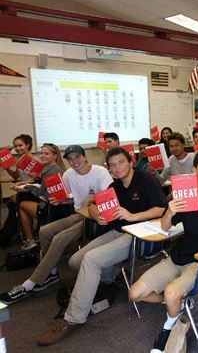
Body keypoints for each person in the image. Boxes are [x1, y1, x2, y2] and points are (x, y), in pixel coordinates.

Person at [36, 147, 167, 346]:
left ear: (130, 162)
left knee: (91, 259)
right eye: (112, 165)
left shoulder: (146, 179)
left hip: (139, 233)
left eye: (121, 162)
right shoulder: (115, 185)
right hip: (118, 231)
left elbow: (161, 208)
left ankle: (73, 318)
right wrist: (97, 214)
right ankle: (106, 277)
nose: (117, 168)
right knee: (75, 261)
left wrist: (133, 216)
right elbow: (93, 204)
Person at [128, 149, 198, 353]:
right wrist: (171, 211)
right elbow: (165, 227)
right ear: (194, 169)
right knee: (134, 293)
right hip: (177, 256)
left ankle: (169, 327)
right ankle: (178, 304)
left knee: (171, 292)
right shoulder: (186, 196)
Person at [0, 145, 112, 304]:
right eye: (70, 159)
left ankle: (30, 284)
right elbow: (70, 197)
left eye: (77, 157)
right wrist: (61, 200)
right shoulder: (68, 174)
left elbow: (109, 196)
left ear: (84, 156)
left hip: (95, 217)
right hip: (79, 214)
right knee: (45, 231)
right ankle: (51, 273)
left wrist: (91, 199)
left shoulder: (100, 171)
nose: (74, 161)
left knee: (59, 239)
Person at [15, 143, 66, 250]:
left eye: (46, 154)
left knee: (21, 204)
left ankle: (30, 240)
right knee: (23, 198)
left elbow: (42, 193)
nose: (42, 156)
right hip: (57, 206)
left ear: (55, 155)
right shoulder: (53, 167)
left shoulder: (51, 171)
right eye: (41, 153)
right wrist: (36, 180)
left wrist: (27, 187)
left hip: (51, 210)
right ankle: (35, 235)